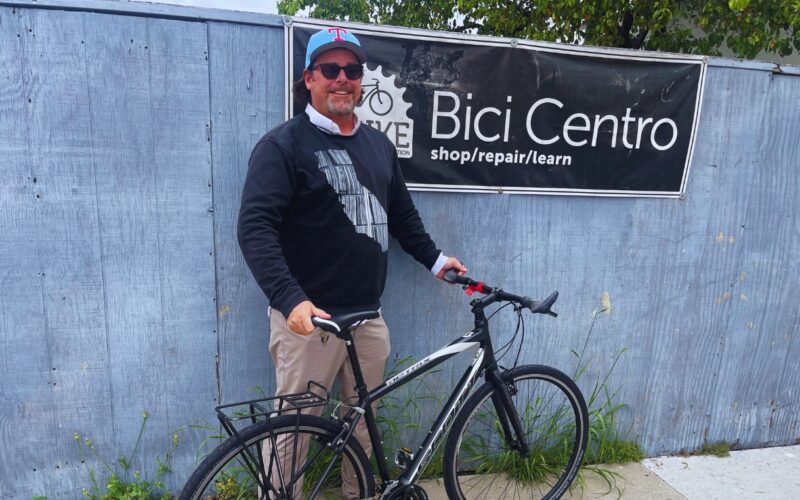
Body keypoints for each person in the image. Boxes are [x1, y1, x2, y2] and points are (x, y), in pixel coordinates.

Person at [237, 26, 466, 498]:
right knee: (292, 438)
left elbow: (401, 217)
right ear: (309, 79)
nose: (343, 78)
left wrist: (437, 260)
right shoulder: (283, 146)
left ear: (362, 80)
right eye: (330, 69)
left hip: (367, 318)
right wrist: (289, 298)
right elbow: (255, 229)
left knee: (362, 426)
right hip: (310, 321)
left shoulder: (378, 145)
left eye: (352, 70)